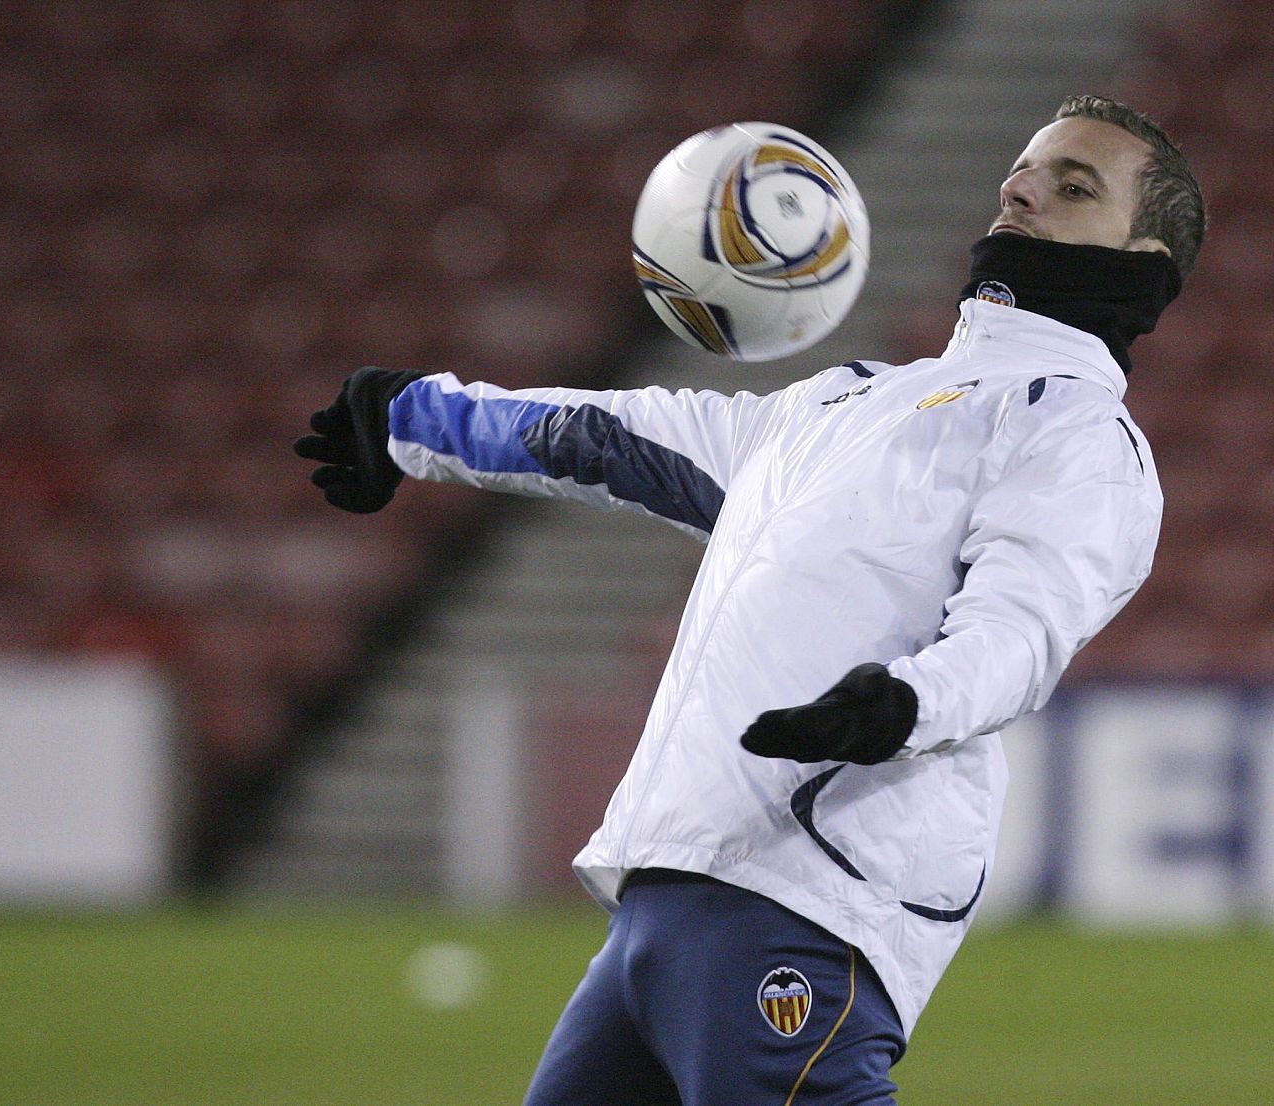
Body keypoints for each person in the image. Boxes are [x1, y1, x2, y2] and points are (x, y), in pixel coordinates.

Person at [295, 94, 1205, 1105]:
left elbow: (1019, 634)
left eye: (1074, 185)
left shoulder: (1075, 432)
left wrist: (901, 704)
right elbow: (617, 437)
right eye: (1023, 172)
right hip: (668, 893)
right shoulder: (848, 399)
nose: (1024, 186)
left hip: (808, 895)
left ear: (1143, 263)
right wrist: (412, 418)